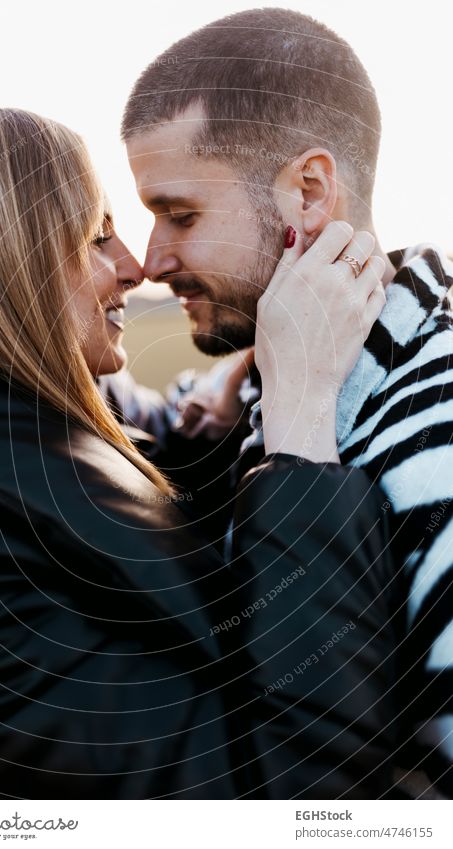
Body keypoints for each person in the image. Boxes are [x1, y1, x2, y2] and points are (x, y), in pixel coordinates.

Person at [0, 108, 395, 799]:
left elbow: (128, 492)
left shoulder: (4, 420)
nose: (134, 267)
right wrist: (298, 421)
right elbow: (298, 800)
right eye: (94, 236)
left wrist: (240, 393)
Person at [121, 7, 453, 795]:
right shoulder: (279, 374)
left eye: (180, 214)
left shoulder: (434, 430)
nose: (149, 260)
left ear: (307, 192)